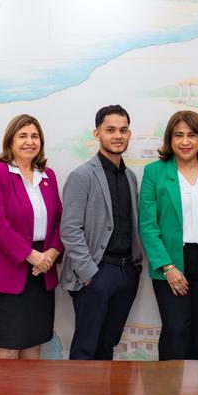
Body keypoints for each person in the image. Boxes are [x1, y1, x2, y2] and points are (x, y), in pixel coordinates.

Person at [140, 111, 198, 361]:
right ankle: (168, 386)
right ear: (169, 139)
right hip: (170, 261)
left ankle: (194, 386)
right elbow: (148, 226)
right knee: (176, 330)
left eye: (191, 135)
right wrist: (167, 267)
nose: (185, 141)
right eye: (178, 135)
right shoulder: (154, 172)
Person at [59, 105, 142, 361]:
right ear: (97, 134)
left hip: (126, 272)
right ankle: (79, 391)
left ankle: (103, 391)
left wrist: (134, 269)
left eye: (123, 130)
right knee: (86, 346)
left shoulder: (130, 177)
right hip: (97, 271)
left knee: (108, 344)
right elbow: (70, 229)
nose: (118, 136)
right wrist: (89, 273)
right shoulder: (82, 175)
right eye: (110, 130)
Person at [0, 115, 63, 359]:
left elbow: (60, 220)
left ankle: (30, 389)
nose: (29, 141)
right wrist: (30, 255)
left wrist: (51, 253)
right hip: (8, 269)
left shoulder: (48, 176)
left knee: (34, 343)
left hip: (42, 270)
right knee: (9, 345)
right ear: (10, 141)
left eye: (35, 136)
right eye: (22, 136)